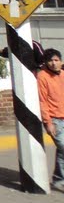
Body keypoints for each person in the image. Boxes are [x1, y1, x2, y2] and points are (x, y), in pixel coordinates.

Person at [37, 47, 64, 191]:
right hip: (54, 119)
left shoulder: (63, 75)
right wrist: (48, 122)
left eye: (56, 60)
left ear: (61, 61)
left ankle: (59, 180)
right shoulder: (42, 76)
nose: (53, 63)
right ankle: (59, 179)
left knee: (62, 150)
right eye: (50, 60)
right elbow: (42, 100)